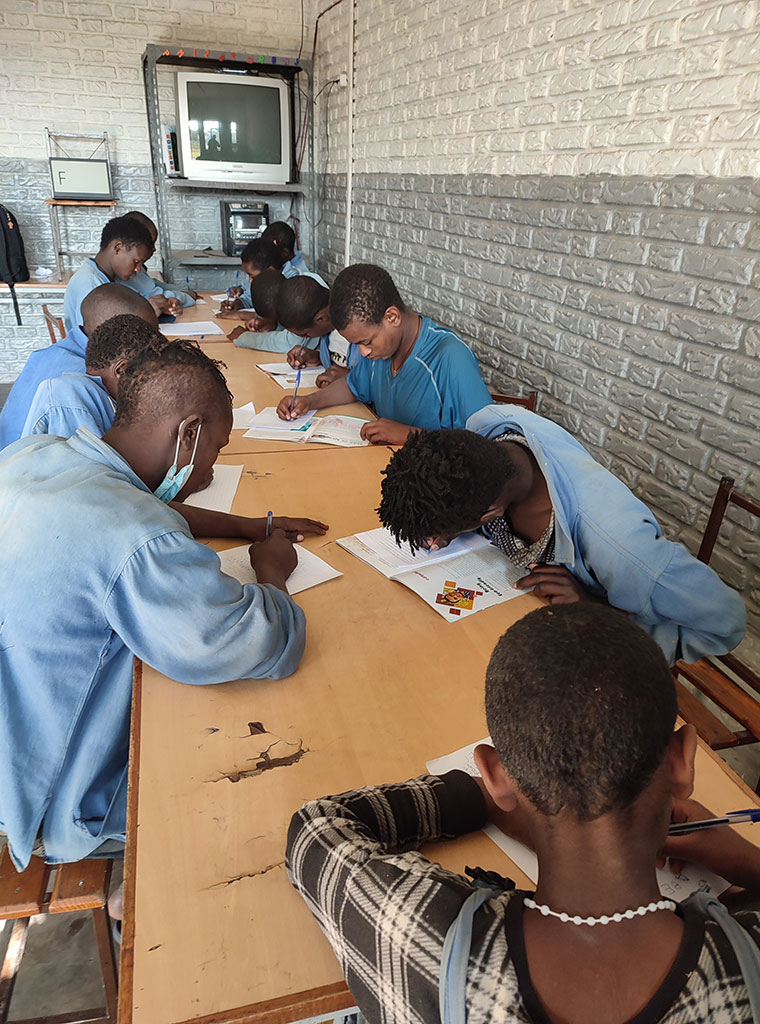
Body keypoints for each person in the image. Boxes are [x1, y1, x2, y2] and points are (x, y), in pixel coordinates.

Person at [288, 603, 760, 1024]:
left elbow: (315, 829)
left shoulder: (422, 937)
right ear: (683, 761)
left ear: (496, 775)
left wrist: (486, 798)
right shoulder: (746, 966)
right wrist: (747, 861)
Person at [0, 339, 325, 870]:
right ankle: (130, 895)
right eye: (216, 448)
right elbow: (257, 642)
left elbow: (138, 506)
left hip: (12, 732)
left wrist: (245, 526)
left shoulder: (35, 455)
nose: (210, 469)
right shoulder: (135, 535)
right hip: (46, 799)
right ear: (188, 432)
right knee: (255, 792)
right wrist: (272, 569)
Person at [376, 410, 746, 664]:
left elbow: (727, 623)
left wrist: (594, 610)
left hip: (601, 654)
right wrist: (449, 524)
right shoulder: (488, 426)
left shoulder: (622, 550)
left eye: (443, 535)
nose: (435, 544)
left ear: (490, 512)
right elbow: (458, 474)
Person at [277, 264, 492, 445]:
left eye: (367, 342)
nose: (363, 352)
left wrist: (410, 435)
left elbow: (487, 447)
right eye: (356, 345)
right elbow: (352, 386)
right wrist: (309, 402)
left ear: (392, 317)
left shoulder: (451, 358)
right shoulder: (380, 354)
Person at [0, 284, 157, 451]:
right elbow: (100, 456)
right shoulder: (83, 381)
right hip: (23, 461)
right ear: (111, 330)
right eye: (145, 334)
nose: (155, 342)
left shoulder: (49, 353)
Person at [21, 314, 162, 440]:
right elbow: (92, 461)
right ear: (122, 370)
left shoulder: (106, 397)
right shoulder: (69, 394)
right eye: (152, 379)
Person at [63, 215, 154, 333]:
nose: (138, 269)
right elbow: (99, 339)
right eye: (136, 262)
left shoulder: (101, 275)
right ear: (118, 248)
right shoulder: (92, 286)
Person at [278, 275, 360, 387]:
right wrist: (317, 357)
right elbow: (340, 358)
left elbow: (379, 381)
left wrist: (350, 378)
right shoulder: (328, 330)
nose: (305, 338)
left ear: (321, 319)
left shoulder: (360, 330)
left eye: (305, 334)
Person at [122, 210, 197, 309]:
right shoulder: (126, 270)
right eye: (150, 243)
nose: (154, 249)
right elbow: (157, 296)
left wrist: (181, 290)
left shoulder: (136, 265)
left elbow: (150, 283)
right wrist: (187, 297)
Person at [227, 268, 294, 353]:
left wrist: (245, 337)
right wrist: (274, 325)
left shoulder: (302, 310)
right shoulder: (287, 300)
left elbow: (288, 343)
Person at [218, 238, 284, 317]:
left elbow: (281, 317)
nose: (250, 281)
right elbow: (250, 299)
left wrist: (241, 315)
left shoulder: (290, 283)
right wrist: (238, 304)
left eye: (252, 276)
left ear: (270, 270)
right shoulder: (264, 283)